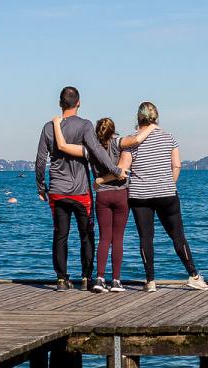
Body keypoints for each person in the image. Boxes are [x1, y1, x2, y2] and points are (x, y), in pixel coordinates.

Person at [34, 86, 126, 292]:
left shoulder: (49, 127)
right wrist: (115, 169)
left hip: (57, 191)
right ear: (79, 103)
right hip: (81, 191)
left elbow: (40, 160)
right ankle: (86, 277)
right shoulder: (85, 126)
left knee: (60, 235)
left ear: (59, 104)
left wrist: (41, 187)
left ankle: (61, 279)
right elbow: (97, 151)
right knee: (87, 235)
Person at [52, 116, 156, 293]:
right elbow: (137, 139)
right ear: (113, 131)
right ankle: (116, 280)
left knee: (104, 238)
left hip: (102, 196)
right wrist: (152, 125)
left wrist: (56, 124)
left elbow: (63, 146)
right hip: (122, 194)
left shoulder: (90, 149)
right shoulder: (119, 143)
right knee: (118, 239)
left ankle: (100, 278)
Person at [126, 101, 207, 291]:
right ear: (156, 117)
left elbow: (126, 166)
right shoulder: (169, 137)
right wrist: (169, 183)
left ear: (138, 118)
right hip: (166, 193)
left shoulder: (132, 140)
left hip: (140, 194)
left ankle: (150, 281)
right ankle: (194, 275)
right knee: (178, 236)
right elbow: (177, 165)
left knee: (146, 238)